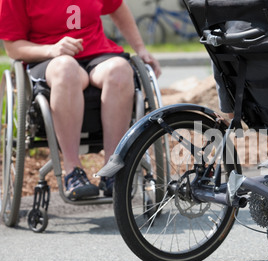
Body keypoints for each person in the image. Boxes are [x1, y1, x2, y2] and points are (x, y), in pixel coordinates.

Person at [0, 0, 162, 200]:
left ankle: (113, 170)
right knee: (66, 68)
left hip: (97, 54)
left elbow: (117, 7)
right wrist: (51, 50)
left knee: (120, 70)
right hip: (48, 59)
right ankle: (72, 171)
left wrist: (141, 49)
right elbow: (13, 48)